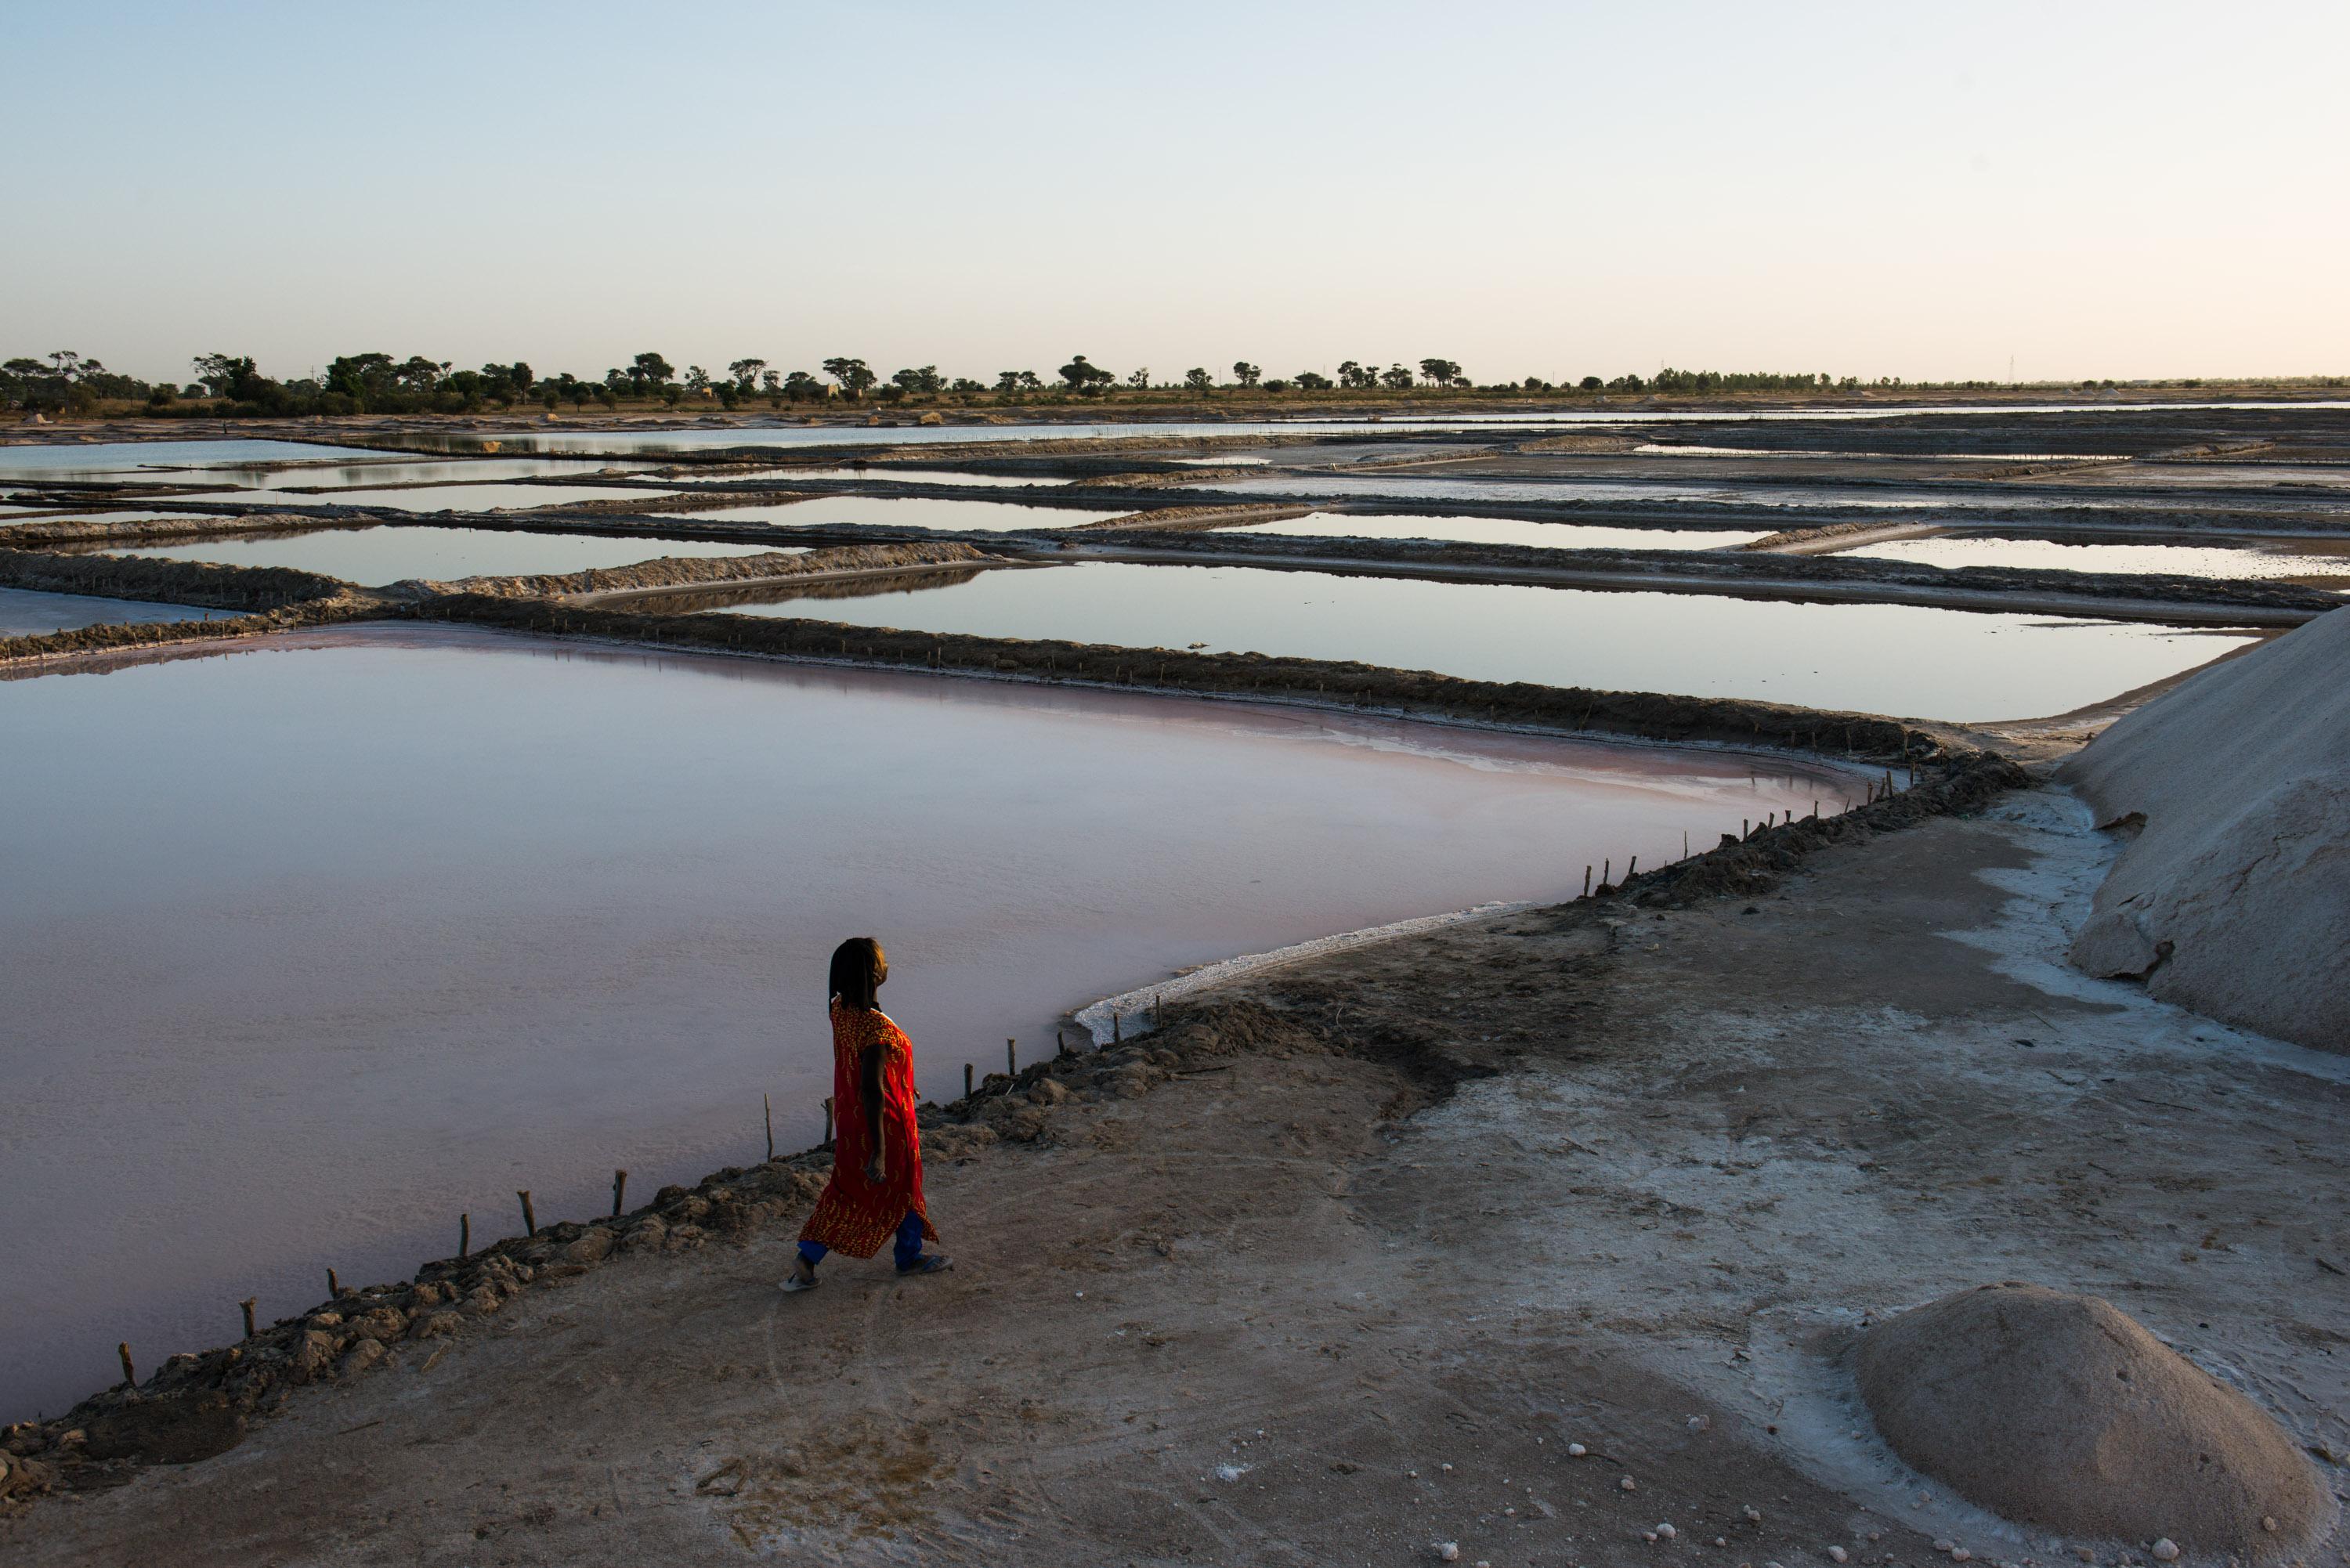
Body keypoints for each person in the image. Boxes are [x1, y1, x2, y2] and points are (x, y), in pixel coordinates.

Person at [783, 937, 949, 1292]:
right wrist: (880, 1149)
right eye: (883, 962)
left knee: (846, 1190)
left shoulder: (841, 1011)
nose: (888, 965)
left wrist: (902, 1079)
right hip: (885, 1124)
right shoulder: (875, 1029)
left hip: (849, 1121)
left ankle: (807, 1257)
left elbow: (867, 1070)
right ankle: (909, 1258)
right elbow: (873, 1088)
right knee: (903, 1189)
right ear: (875, 973)